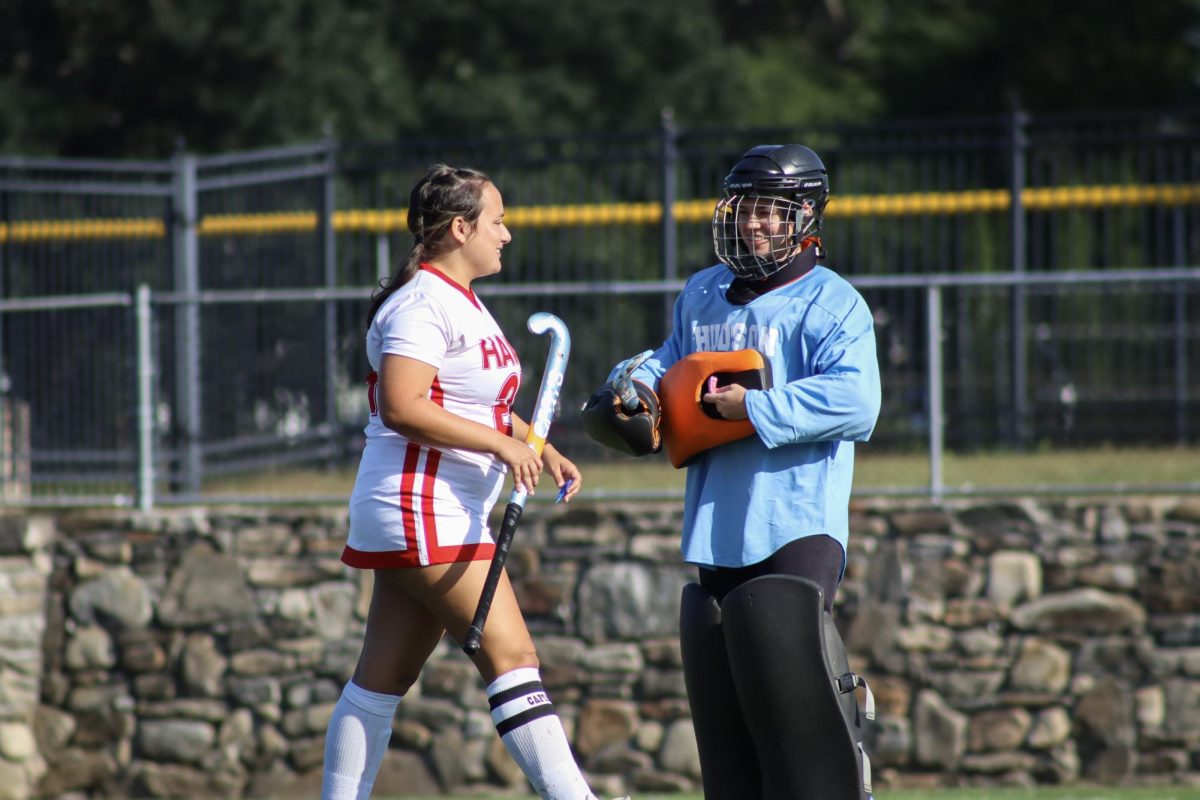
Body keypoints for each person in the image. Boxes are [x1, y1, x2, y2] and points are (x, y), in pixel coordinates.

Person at [582, 144, 881, 799]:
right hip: (719, 522)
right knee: (732, 714)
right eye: (745, 209)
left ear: (805, 215)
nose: (754, 225)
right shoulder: (703, 293)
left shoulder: (833, 304)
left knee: (794, 696)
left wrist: (756, 407)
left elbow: (859, 401)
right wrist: (631, 384)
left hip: (798, 520)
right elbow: (668, 360)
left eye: (771, 213)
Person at [322, 164, 617, 800]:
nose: (507, 234)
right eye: (498, 220)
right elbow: (404, 405)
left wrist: (537, 447)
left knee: (379, 681)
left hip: (433, 506)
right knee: (513, 660)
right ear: (461, 228)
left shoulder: (458, 301)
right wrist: (501, 446)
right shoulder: (422, 302)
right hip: (422, 504)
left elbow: (469, 399)